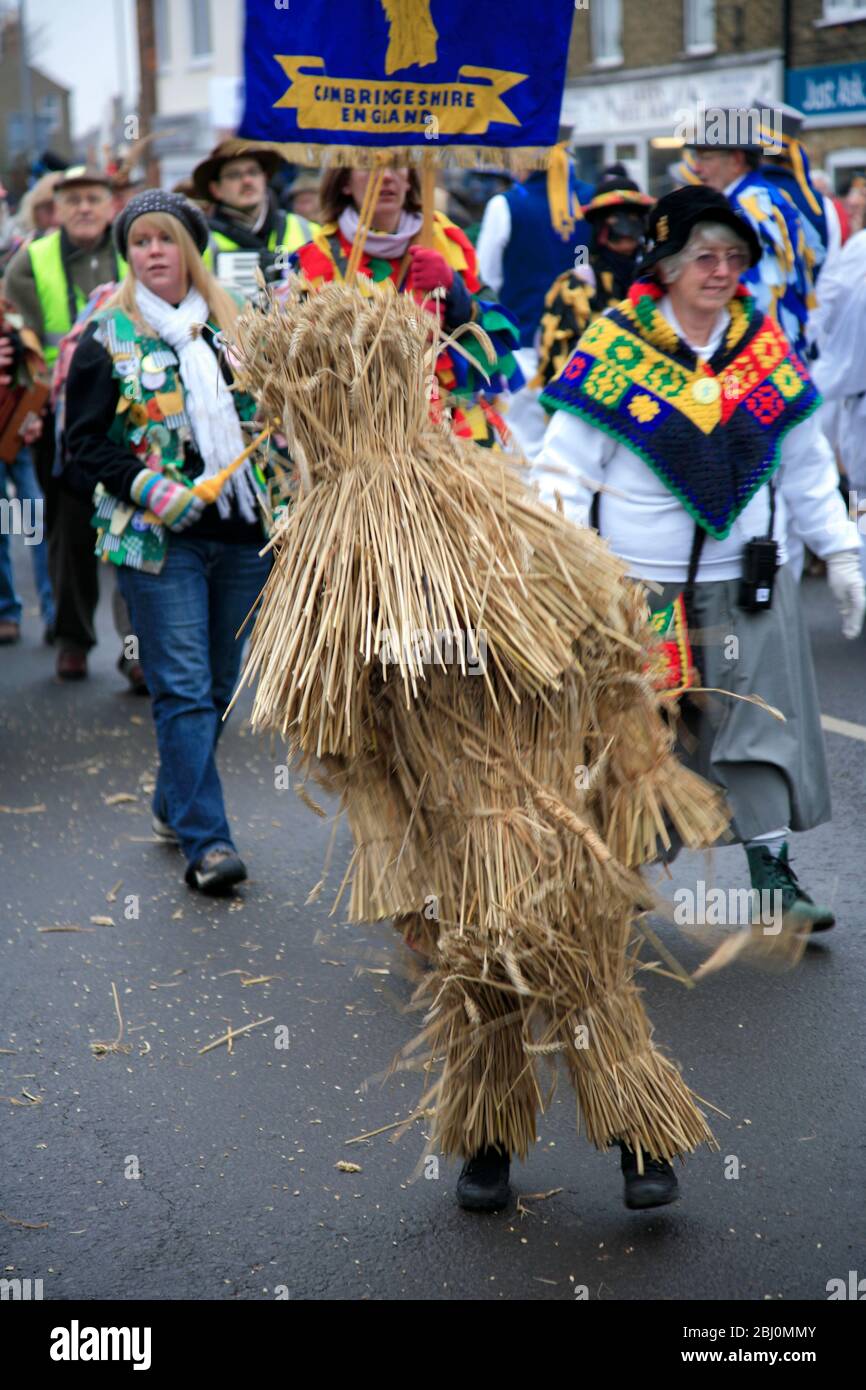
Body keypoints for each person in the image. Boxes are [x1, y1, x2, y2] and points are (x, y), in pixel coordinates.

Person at [533, 186, 865, 931]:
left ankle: (773, 883)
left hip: (747, 579)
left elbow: (805, 466)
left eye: (734, 258)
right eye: (704, 257)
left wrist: (842, 554)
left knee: (760, 727)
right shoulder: (616, 345)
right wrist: (557, 565)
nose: (722, 272)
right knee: (633, 736)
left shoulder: (764, 345)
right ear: (668, 266)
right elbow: (562, 468)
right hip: (637, 588)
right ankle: (608, 881)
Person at [63, 190, 292, 894]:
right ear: (128, 255)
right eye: (140, 242)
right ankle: (208, 843)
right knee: (185, 689)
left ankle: (172, 803)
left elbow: (278, 416)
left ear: (189, 249)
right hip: (161, 544)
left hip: (243, 532)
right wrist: (153, 489)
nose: (153, 251)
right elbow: (82, 447)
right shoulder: (107, 336)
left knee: (220, 689)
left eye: (165, 239)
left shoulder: (240, 328)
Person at [290, 165, 522, 447]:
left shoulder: (444, 240)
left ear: (411, 179)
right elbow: (299, 363)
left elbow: (498, 339)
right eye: (368, 163)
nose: (386, 176)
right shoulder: (317, 256)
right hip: (358, 441)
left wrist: (454, 290)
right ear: (344, 183)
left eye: (398, 164)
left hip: (451, 436)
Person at [4, 165, 126, 677]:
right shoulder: (32, 260)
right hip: (61, 419)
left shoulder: (136, 246)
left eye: (93, 198)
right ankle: (73, 638)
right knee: (68, 529)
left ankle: (137, 652)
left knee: (133, 532)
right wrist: (25, 412)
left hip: (133, 416)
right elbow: (15, 336)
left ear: (110, 204)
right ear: (55, 208)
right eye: (72, 198)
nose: (83, 207)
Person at [475, 139, 592, 454]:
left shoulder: (507, 204)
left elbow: (487, 282)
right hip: (586, 355)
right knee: (576, 456)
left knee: (524, 459)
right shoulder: (592, 199)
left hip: (524, 354)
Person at [689, 112, 814, 358]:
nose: (697, 167)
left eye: (705, 157)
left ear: (736, 159)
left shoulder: (752, 206)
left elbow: (763, 291)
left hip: (760, 351)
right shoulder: (752, 198)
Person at [532, 166, 654, 393]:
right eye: (616, 218)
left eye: (634, 217)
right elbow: (556, 362)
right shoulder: (576, 285)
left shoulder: (658, 279)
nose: (627, 228)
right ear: (600, 226)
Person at [193, 142, 319, 298]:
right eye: (234, 175)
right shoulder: (200, 240)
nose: (247, 180)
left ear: (265, 178)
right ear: (216, 189)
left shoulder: (308, 230)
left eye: (253, 172)